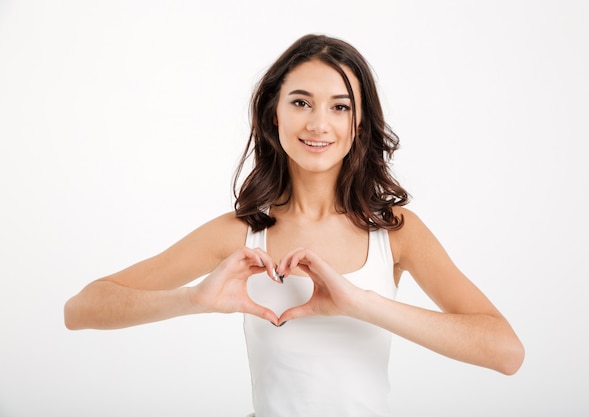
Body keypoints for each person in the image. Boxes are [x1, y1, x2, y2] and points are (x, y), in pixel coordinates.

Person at [64, 34, 524, 416]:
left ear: (360, 122)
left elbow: (506, 352)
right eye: (301, 102)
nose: (319, 124)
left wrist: (362, 303)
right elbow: (81, 309)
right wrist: (192, 299)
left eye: (340, 107)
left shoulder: (395, 232)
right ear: (274, 114)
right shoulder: (238, 233)